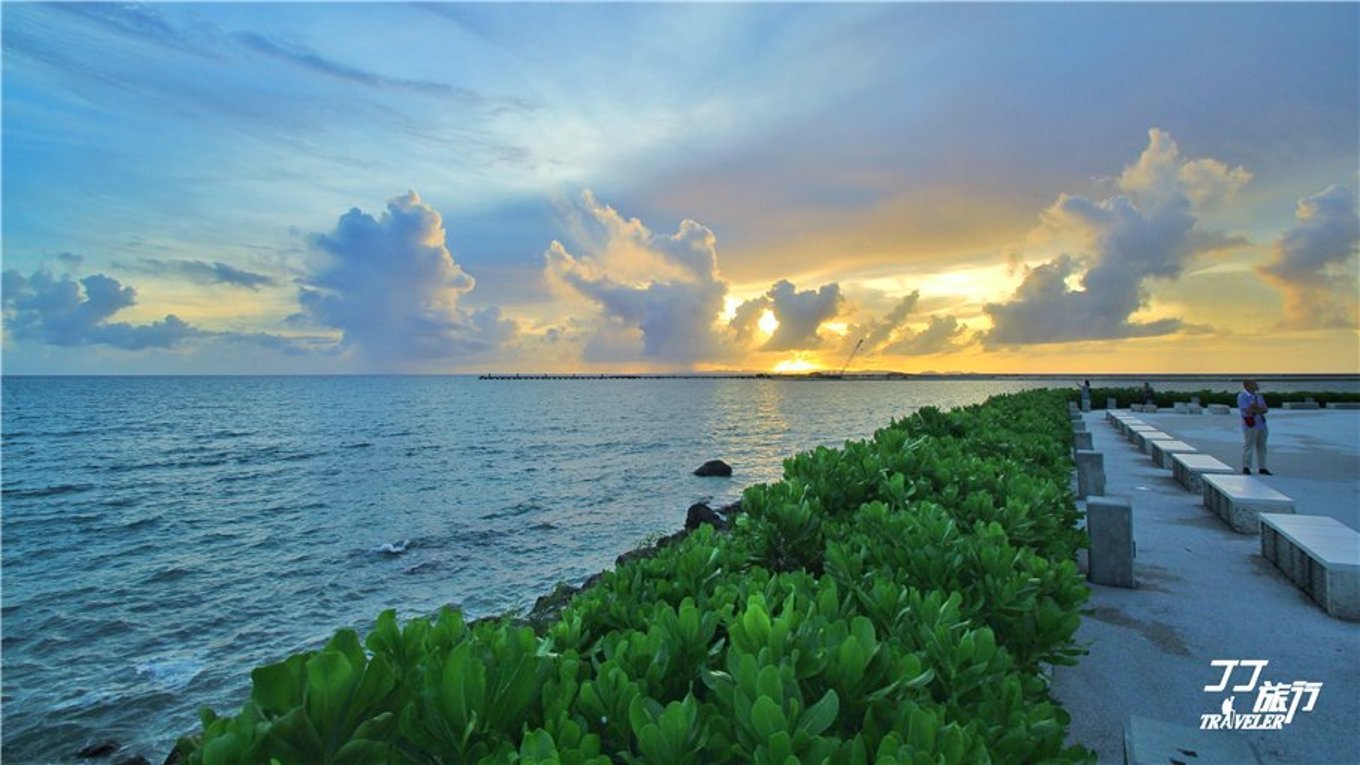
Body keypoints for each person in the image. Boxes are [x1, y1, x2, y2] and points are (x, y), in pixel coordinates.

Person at [1237, 379, 1271, 475]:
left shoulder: (1259, 396)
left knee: (1262, 447)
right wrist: (1256, 409)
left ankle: (1262, 467)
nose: (1257, 385)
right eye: (1254, 383)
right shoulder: (1242, 396)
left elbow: (1265, 409)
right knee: (1249, 446)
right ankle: (1246, 467)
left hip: (1261, 424)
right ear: (1247, 385)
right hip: (1250, 424)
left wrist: (1255, 409)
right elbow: (1247, 410)